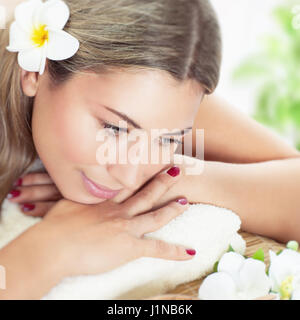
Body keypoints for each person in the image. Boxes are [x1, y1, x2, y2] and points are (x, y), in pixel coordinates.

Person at [1, 0, 300, 299]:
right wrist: (50, 250)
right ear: (35, 73)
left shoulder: (162, 89)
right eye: (114, 129)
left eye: (168, 140)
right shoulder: (101, 68)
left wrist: (171, 182)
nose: (129, 178)